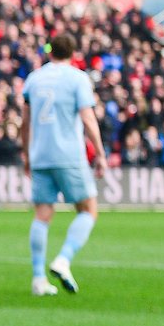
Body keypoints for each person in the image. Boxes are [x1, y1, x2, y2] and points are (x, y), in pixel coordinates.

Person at [21, 34, 107, 296]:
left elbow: (25, 122)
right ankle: (64, 259)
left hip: (40, 155)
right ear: (73, 52)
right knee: (88, 210)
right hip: (68, 154)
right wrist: (100, 153)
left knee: (42, 215)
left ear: (49, 52)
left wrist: (26, 155)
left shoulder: (34, 79)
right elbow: (88, 118)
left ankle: (38, 279)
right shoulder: (77, 78)